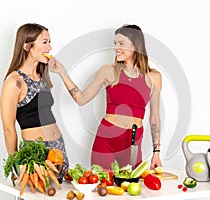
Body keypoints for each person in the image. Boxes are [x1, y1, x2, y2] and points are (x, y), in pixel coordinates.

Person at [49, 24, 162, 170]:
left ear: (135, 45)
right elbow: (81, 99)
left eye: (121, 43)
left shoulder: (154, 77)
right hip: (106, 140)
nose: (116, 48)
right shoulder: (108, 71)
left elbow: (154, 117)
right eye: (115, 43)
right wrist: (62, 73)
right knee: (101, 188)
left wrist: (156, 152)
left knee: (131, 189)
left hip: (133, 143)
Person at [0, 23, 69, 181]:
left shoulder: (41, 76)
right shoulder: (14, 82)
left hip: (58, 149)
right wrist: (15, 163)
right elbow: (8, 128)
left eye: (50, 42)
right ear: (26, 46)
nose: (50, 47)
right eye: (45, 42)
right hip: (36, 156)